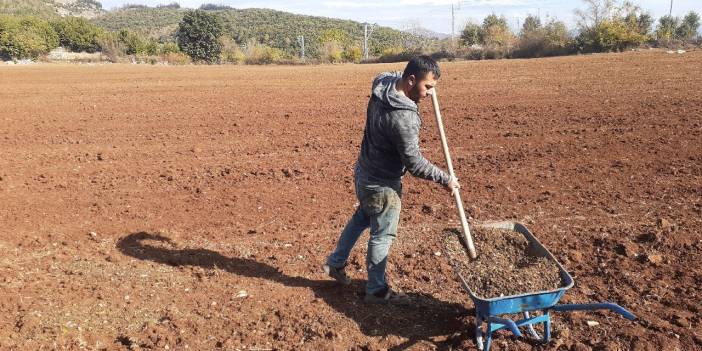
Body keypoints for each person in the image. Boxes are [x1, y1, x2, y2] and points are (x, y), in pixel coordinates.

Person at [323, 56, 460, 305]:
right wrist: (445, 178)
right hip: (383, 186)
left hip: (363, 172)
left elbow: (392, 72)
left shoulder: (382, 83)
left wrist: (421, 74)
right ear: (410, 81)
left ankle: (335, 262)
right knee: (383, 235)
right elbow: (415, 164)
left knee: (362, 217)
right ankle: (376, 290)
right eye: (428, 87)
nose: (430, 93)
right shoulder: (403, 119)